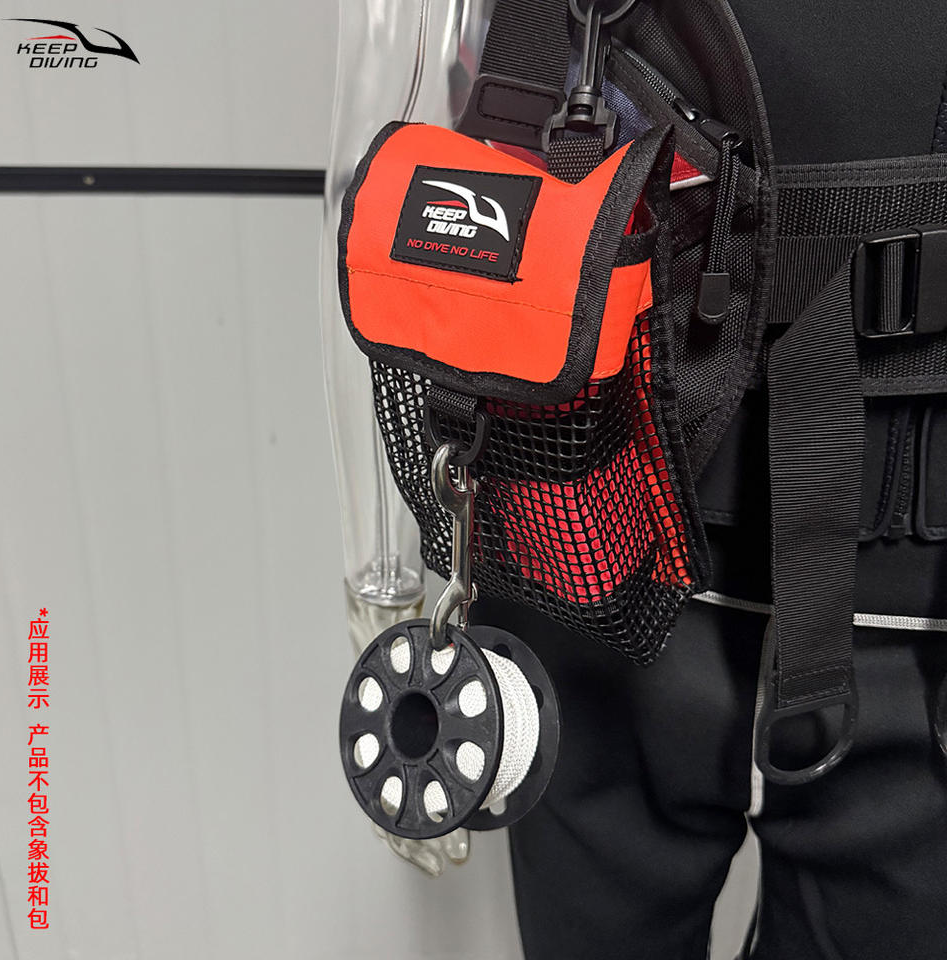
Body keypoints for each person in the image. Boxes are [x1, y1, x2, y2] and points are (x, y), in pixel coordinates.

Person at [322, 1, 947, 956]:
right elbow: (394, 162)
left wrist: (383, 577)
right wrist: (389, 577)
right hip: (588, 539)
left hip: (901, 596)